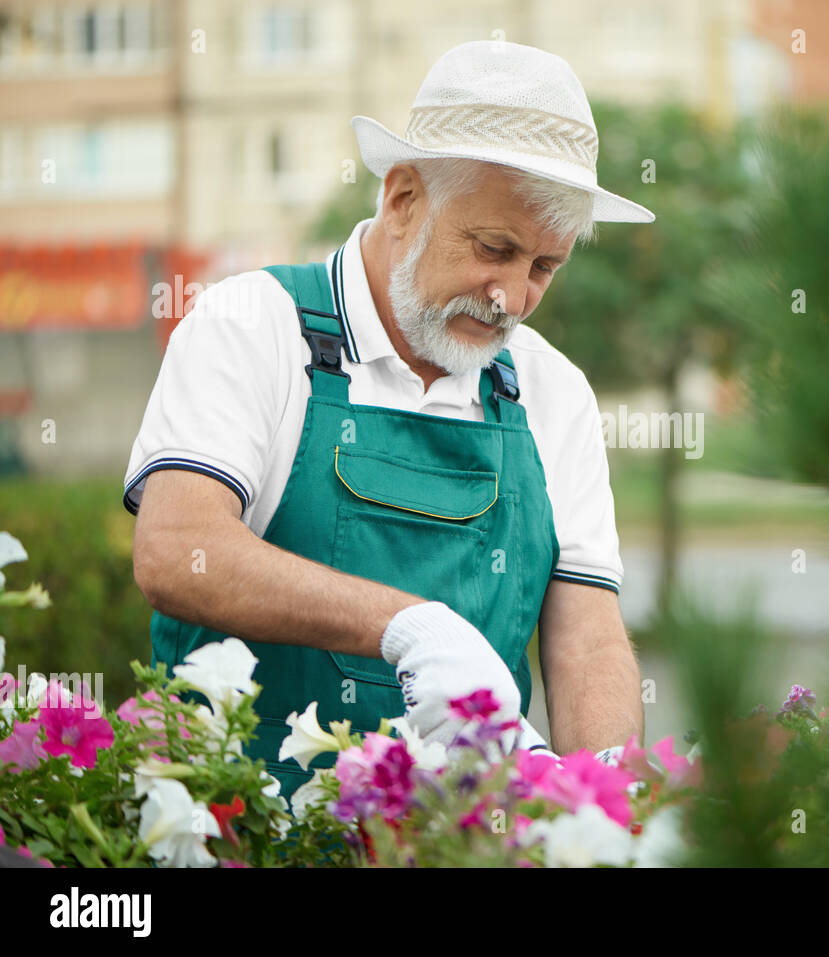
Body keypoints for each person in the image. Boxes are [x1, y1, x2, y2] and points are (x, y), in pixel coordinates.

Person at [123, 40, 652, 798]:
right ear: (404, 198)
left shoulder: (552, 392)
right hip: (247, 833)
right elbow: (178, 550)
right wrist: (408, 626)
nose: (511, 297)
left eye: (543, 267)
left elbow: (589, 641)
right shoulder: (253, 324)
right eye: (493, 248)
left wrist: (603, 795)